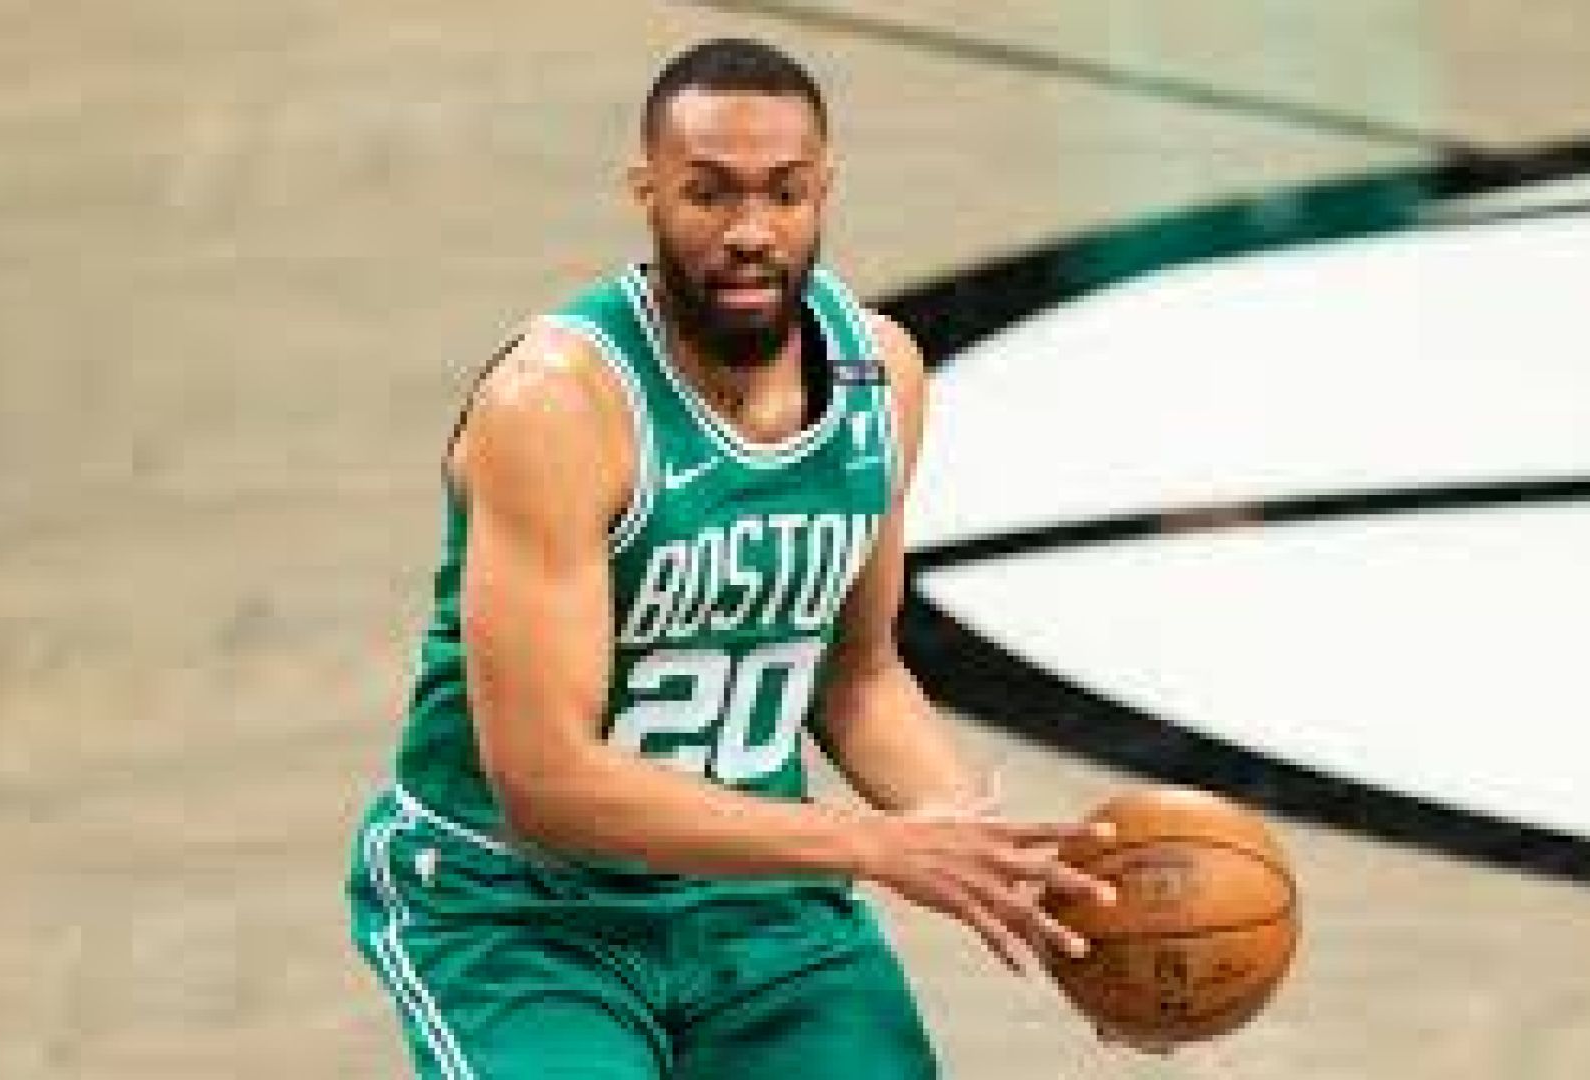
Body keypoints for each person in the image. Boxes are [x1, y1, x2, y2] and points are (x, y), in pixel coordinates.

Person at [347, 37, 1120, 1079]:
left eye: (784, 193)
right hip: (520, 908)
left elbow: (858, 679)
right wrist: (870, 845)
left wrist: (1007, 872)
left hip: (759, 908)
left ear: (823, 190)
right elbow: (545, 782)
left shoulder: (879, 375)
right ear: (648, 194)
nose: (750, 231)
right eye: (708, 193)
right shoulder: (559, 405)